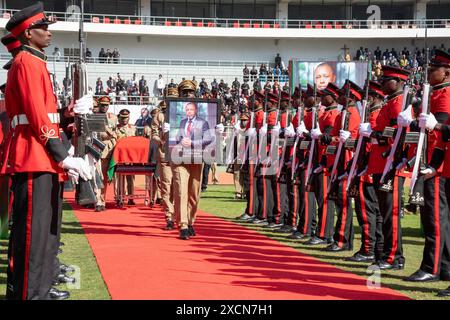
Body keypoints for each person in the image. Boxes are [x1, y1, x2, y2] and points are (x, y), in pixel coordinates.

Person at [3, 2, 91, 300]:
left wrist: (69, 114)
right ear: (28, 34)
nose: (49, 33)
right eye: (43, 28)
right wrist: (62, 153)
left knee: (45, 234)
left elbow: (47, 114)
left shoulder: (35, 61)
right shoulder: (27, 62)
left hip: (41, 155)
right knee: (32, 235)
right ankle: (30, 294)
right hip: (33, 155)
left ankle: (39, 291)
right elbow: (37, 115)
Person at [170, 80, 213, 240]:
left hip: (196, 158)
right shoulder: (176, 119)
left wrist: (218, 131)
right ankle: (183, 225)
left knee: (194, 193)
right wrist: (165, 132)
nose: (188, 95)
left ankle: (190, 220)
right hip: (179, 158)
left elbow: (208, 139)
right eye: (184, 93)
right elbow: (168, 141)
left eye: (190, 93)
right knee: (181, 191)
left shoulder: (203, 122)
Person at [151, 101, 175, 229]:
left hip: (179, 155)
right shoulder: (159, 116)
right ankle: (169, 216)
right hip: (165, 154)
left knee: (177, 187)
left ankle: (178, 214)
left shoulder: (180, 113)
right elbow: (153, 133)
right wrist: (160, 139)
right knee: (166, 186)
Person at [95, 96, 118, 212]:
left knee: (103, 176)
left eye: (106, 105)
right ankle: (96, 199)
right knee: (94, 176)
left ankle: (101, 201)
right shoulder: (93, 116)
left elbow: (115, 133)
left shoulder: (112, 117)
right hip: (93, 147)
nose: (104, 107)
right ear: (98, 105)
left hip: (106, 149)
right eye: (102, 105)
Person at [114, 109, 136, 205]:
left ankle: (131, 197)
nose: (124, 120)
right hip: (120, 156)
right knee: (119, 178)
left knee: (131, 178)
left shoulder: (133, 128)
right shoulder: (116, 128)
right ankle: (119, 197)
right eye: (122, 118)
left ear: (129, 117)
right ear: (119, 118)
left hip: (130, 157)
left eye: (126, 118)